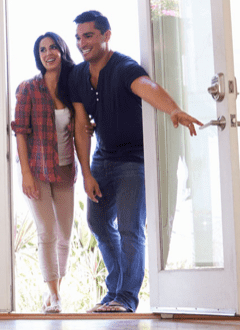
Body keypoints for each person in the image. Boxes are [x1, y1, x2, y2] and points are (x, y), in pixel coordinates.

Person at [67, 10, 202, 313]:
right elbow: (80, 125)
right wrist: (87, 173)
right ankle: (115, 290)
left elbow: (147, 87)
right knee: (98, 222)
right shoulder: (77, 75)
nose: (82, 43)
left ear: (105, 35)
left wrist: (173, 110)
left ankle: (125, 298)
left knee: (130, 228)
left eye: (88, 35)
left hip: (133, 161)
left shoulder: (123, 66)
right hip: (103, 158)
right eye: (78, 37)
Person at [10, 32, 78, 314]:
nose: (48, 53)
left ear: (62, 51)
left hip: (64, 167)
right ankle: (54, 295)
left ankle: (54, 293)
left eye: (53, 48)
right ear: (38, 57)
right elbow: (20, 132)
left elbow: (84, 124)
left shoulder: (73, 87)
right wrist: (26, 173)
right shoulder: (28, 88)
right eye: (42, 50)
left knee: (65, 235)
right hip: (36, 168)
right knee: (47, 232)